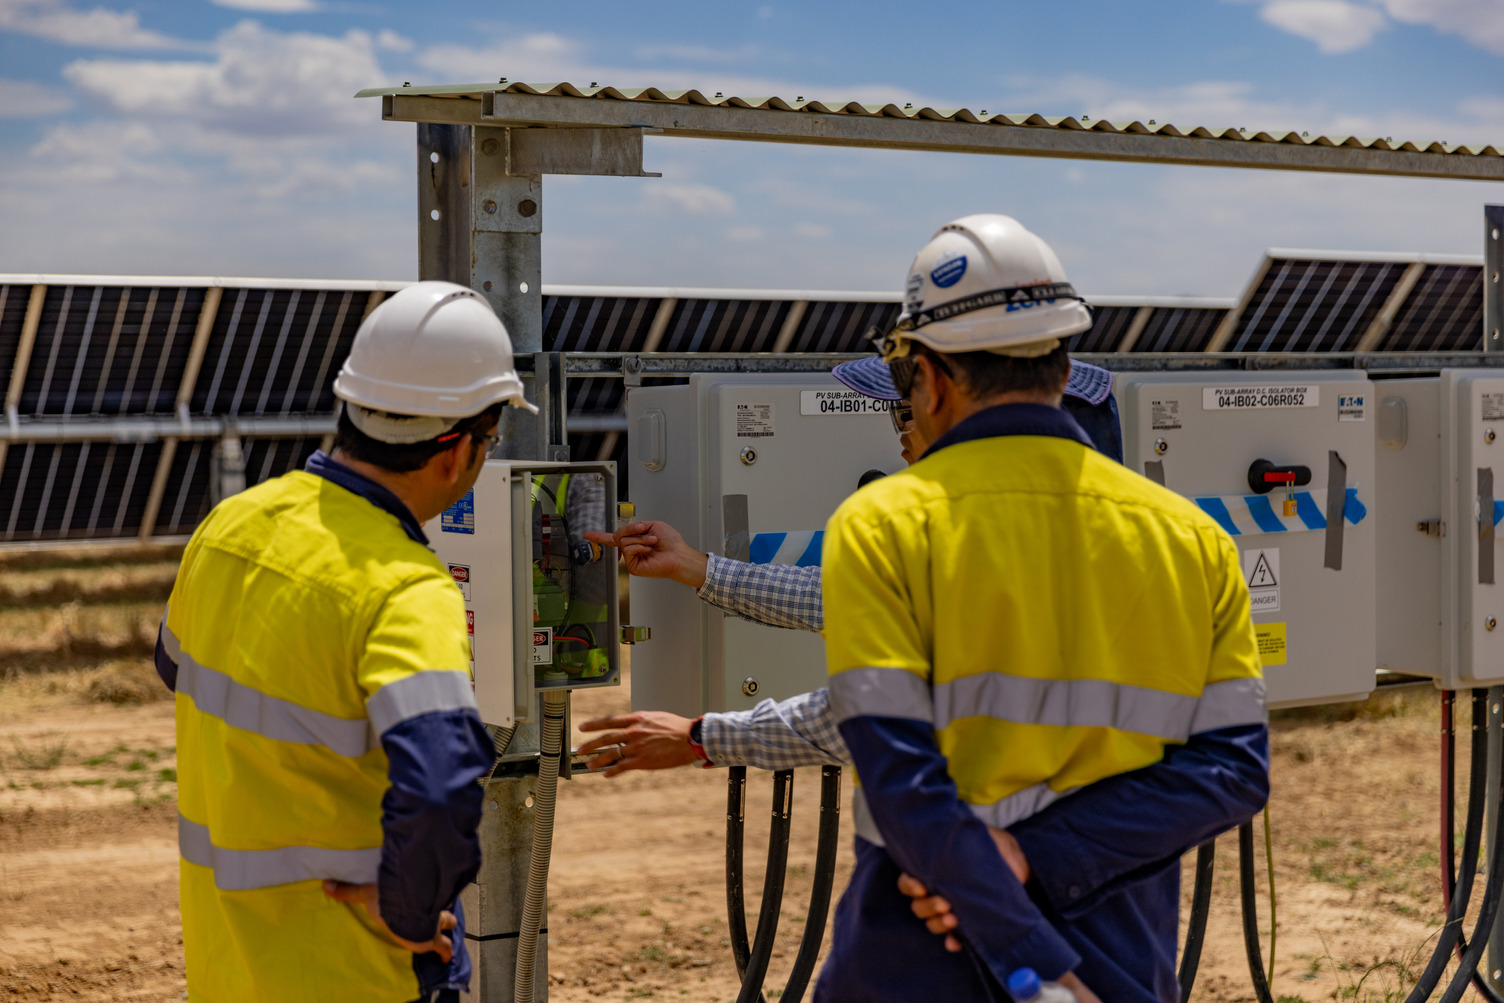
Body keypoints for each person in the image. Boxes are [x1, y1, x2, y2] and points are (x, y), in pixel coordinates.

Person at [816, 215, 1268, 1003]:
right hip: (1117, 948)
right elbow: (1233, 770)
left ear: (929, 377)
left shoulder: (884, 523)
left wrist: (1031, 953)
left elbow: (903, 779)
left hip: (920, 954)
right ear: (1064, 368)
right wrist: (1041, 862)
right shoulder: (1195, 539)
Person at [154, 281, 536, 1003]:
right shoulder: (406, 590)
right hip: (352, 972)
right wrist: (410, 912)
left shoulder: (230, 524)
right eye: (490, 437)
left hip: (226, 962)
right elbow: (441, 784)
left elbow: (174, 667)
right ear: (455, 452)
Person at [575, 354, 1120, 773]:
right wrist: (695, 566)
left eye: (909, 411)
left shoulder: (1006, 557)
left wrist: (699, 737)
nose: (902, 437)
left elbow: (880, 713)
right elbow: (850, 597)